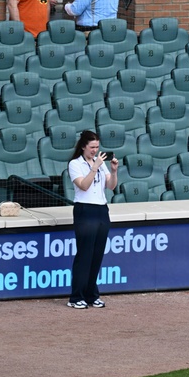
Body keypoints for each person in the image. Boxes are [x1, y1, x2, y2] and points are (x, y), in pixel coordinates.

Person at [67, 130, 119, 309]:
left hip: (101, 210)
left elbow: (110, 186)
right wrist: (95, 167)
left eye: (97, 147)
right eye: (92, 147)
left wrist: (113, 171)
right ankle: (76, 297)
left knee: (97, 255)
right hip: (85, 210)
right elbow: (83, 185)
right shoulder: (75, 164)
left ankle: (91, 294)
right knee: (85, 254)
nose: (95, 151)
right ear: (83, 146)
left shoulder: (100, 163)